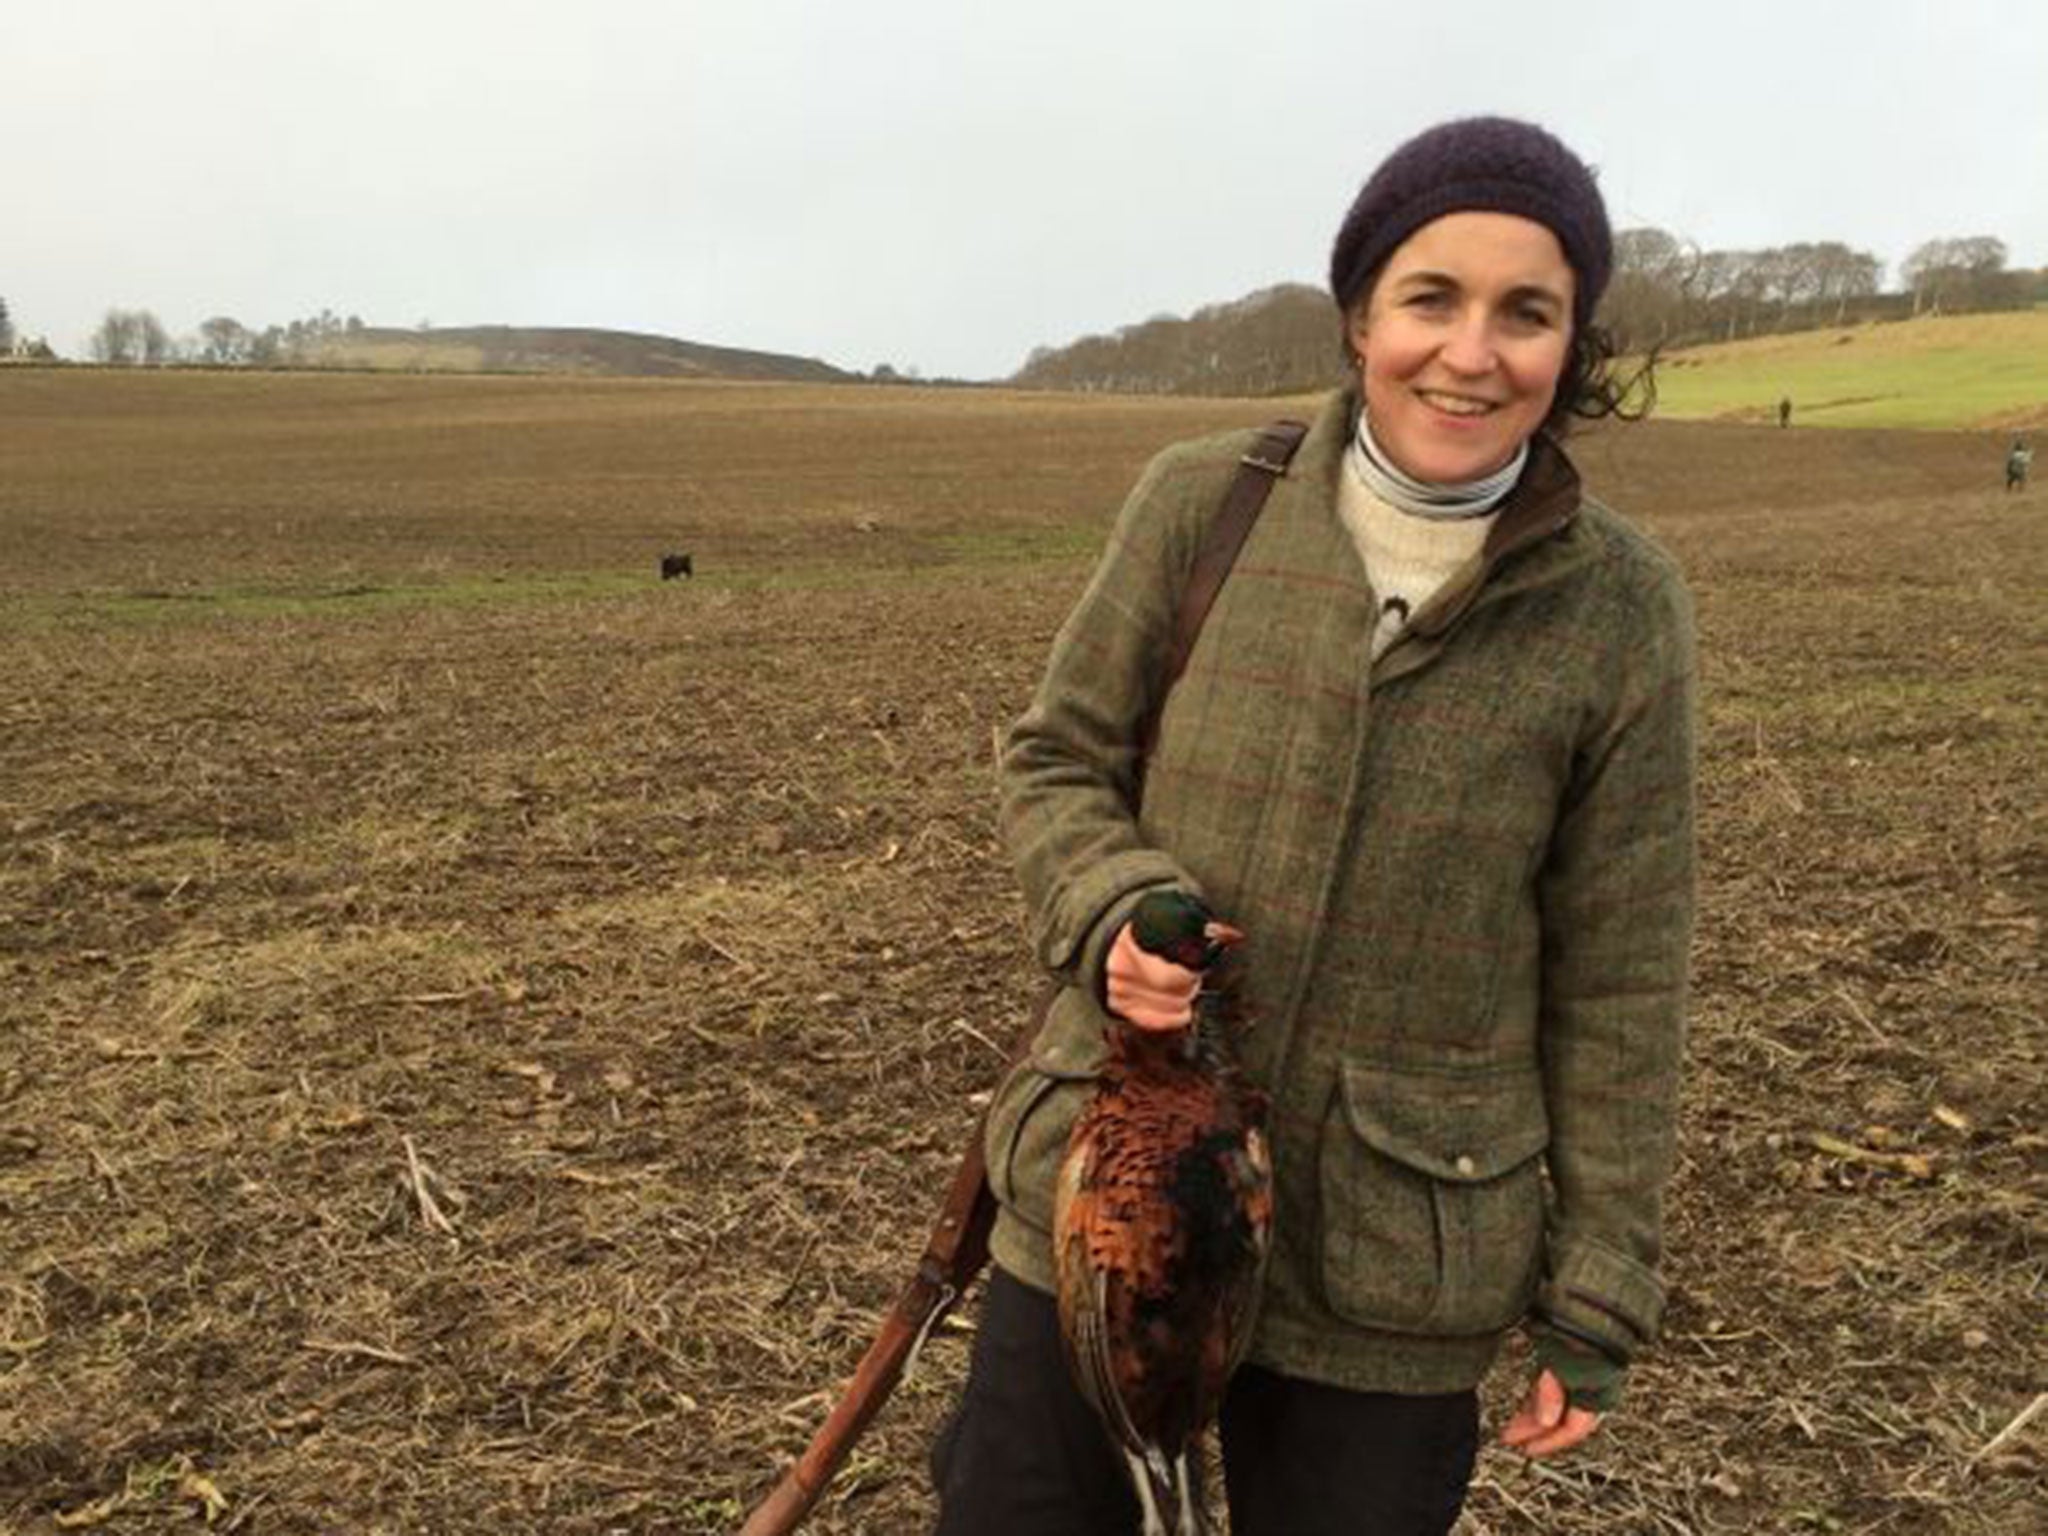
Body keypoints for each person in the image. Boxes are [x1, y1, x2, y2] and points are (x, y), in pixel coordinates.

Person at [933, 116, 1696, 1535]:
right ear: (1359, 319)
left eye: (1526, 313)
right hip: (1112, 1207)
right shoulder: (1208, 501)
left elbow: (1623, 974)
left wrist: (1599, 1288)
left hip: (1397, 1261)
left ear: (1572, 342)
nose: (1472, 353)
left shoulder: (1620, 610)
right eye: (1431, 299)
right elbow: (1056, 760)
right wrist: (1112, 908)